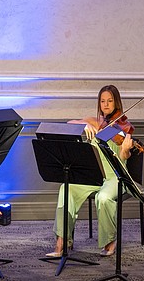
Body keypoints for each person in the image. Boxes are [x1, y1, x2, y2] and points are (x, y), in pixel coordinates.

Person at [47, 84, 136, 258]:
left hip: (115, 178)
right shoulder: (95, 122)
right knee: (67, 189)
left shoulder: (124, 128)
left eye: (110, 101)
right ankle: (62, 242)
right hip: (94, 176)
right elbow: (69, 123)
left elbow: (124, 157)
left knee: (103, 198)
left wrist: (126, 149)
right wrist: (84, 125)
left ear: (116, 102)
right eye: (103, 101)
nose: (106, 104)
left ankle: (110, 241)